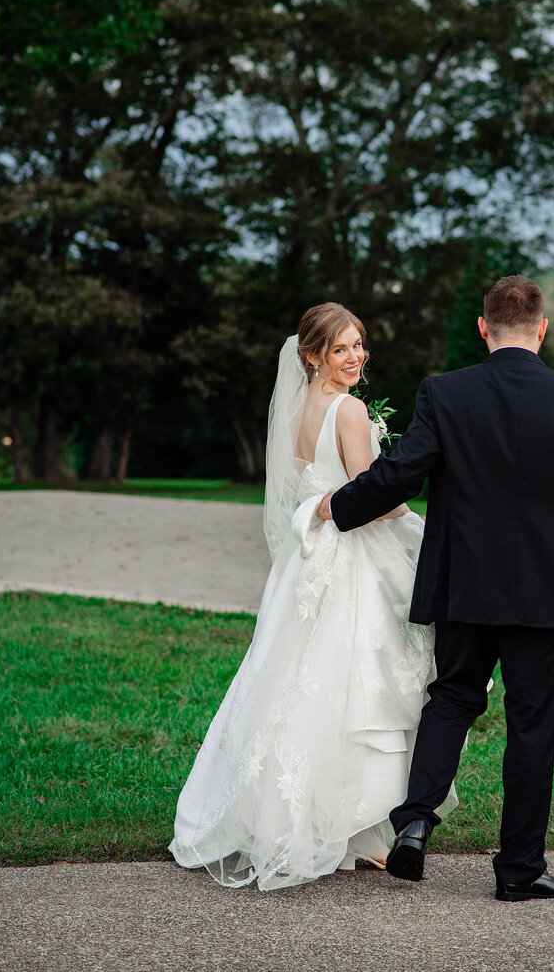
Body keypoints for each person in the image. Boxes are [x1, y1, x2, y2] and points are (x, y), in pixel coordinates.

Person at [319, 276, 554, 902]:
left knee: (452, 698)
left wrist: (340, 507)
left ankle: (414, 822)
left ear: (483, 326)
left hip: (464, 584)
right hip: (550, 594)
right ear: (542, 328)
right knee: (532, 725)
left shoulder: (447, 392)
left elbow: (402, 472)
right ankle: (520, 871)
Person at [170, 303, 453, 891]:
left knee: (294, 677)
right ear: (312, 355)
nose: (356, 358)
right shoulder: (349, 411)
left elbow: (310, 485)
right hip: (350, 556)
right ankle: (357, 828)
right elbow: (375, 496)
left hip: (307, 559)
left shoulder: (296, 408)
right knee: (358, 683)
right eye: (342, 349)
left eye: (360, 346)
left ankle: (302, 822)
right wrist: (423, 523)